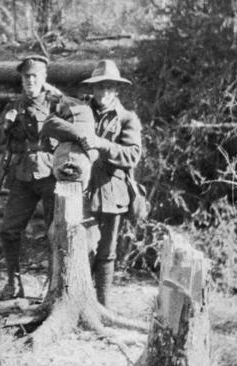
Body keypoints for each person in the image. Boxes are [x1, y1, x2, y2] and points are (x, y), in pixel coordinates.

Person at [0, 55, 65, 300]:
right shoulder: (14, 105)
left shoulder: (57, 103)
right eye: (26, 77)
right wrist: (7, 125)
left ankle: (54, 285)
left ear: (44, 78)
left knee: (56, 231)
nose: (30, 81)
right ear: (21, 80)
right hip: (22, 173)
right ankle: (14, 283)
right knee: (9, 230)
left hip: (51, 173)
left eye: (35, 76)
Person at [79, 60, 142, 307]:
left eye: (108, 88)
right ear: (92, 90)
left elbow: (132, 155)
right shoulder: (82, 113)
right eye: (98, 88)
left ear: (116, 90)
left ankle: (103, 305)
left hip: (111, 191)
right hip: (83, 190)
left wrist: (101, 144)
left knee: (107, 253)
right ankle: (74, 299)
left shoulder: (127, 118)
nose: (103, 93)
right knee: (79, 249)